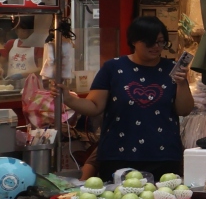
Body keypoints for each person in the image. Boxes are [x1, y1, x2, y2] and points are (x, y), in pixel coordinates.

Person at [60, 17, 193, 182]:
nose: (156, 47)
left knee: (165, 197)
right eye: (150, 42)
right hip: (118, 153)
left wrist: (181, 83)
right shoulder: (113, 68)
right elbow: (94, 106)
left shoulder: (172, 70)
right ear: (134, 41)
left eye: (161, 42)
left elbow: (184, 110)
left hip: (163, 154)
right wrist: (68, 99)